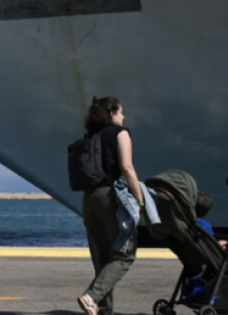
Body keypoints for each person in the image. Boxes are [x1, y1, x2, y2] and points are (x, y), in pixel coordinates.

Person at [77, 96, 143, 315]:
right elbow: (126, 167)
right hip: (111, 197)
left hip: (89, 198)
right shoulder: (120, 133)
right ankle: (92, 296)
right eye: (121, 112)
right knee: (125, 254)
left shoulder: (90, 137)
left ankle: (103, 311)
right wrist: (140, 198)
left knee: (102, 258)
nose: (124, 116)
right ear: (112, 113)